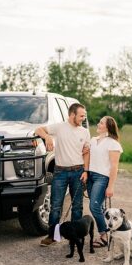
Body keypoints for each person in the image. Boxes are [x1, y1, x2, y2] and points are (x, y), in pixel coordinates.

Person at [35, 103, 90, 247]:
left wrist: (86, 171)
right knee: (55, 206)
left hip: (78, 171)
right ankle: (53, 236)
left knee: (77, 206)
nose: (83, 118)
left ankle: (75, 237)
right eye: (81, 115)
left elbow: (87, 152)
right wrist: (47, 137)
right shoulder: (60, 127)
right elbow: (38, 129)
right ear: (72, 115)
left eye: (84, 115)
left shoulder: (84, 132)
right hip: (60, 172)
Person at [87, 116, 123, 247]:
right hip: (90, 176)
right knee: (100, 208)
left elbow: (114, 167)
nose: (98, 124)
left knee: (94, 206)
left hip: (102, 178)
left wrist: (111, 186)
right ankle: (110, 233)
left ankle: (104, 235)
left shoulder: (113, 143)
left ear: (107, 126)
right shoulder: (93, 140)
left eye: (101, 123)